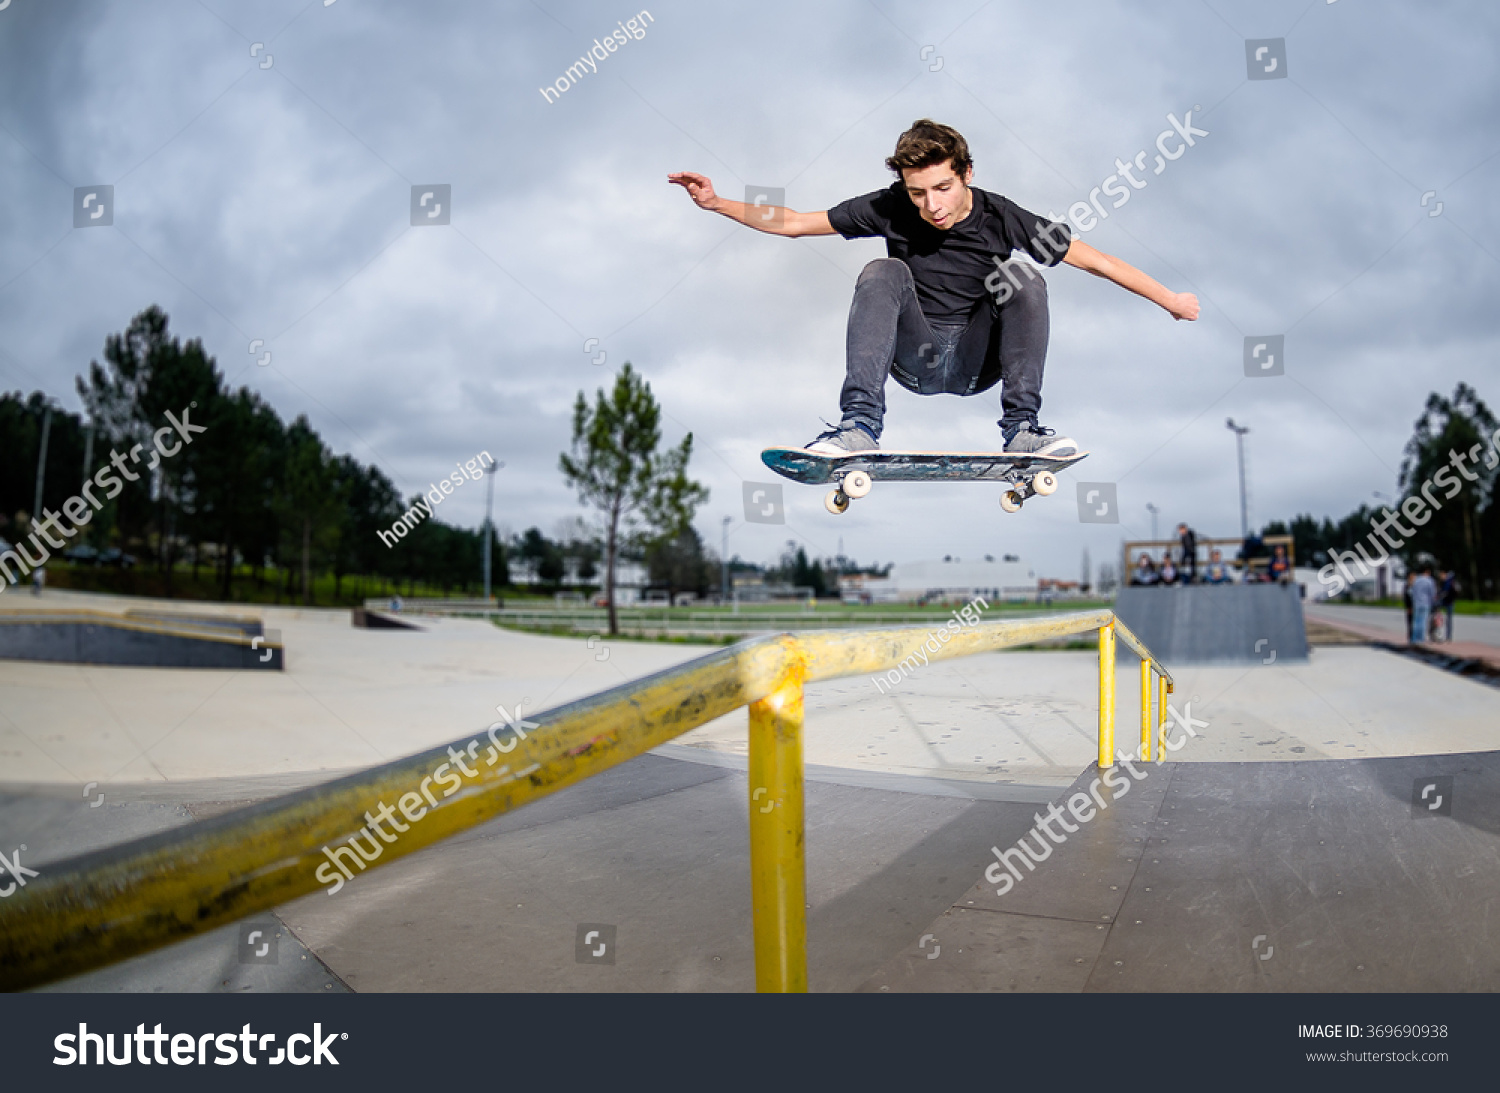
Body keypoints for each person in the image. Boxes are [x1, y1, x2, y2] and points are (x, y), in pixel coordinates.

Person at [669, 120, 1200, 456]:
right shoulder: (889, 206)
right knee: (883, 271)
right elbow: (794, 222)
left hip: (976, 363)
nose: (932, 206)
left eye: (943, 188)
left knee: (1023, 276)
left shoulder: (1003, 215)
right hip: (913, 359)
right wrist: (719, 203)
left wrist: (1170, 301)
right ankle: (858, 426)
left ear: (966, 172)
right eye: (918, 192)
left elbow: (1096, 261)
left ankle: (1022, 428)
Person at [1410, 565, 1437, 644]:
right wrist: (1434, 603)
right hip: (1426, 603)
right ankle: (1421, 639)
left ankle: (1414, 639)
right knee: (1423, 621)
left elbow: (1412, 592)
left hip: (1417, 603)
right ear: (1427, 572)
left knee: (1416, 621)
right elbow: (1432, 593)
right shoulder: (1429, 581)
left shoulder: (1416, 580)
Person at [1438, 569, 1458, 644]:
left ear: (1444, 574)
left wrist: (1439, 596)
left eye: (1441, 575)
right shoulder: (1449, 581)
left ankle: (1447, 637)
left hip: (1447, 602)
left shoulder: (1447, 582)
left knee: (1447, 620)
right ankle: (1448, 637)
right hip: (1450, 602)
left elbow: (1444, 592)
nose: (1440, 577)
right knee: (1449, 620)